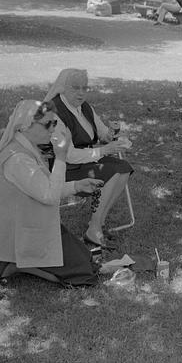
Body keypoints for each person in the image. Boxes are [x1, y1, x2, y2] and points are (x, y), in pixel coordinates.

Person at [0, 100, 104, 287]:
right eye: (48, 124)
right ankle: (16, 265)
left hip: (33, 223)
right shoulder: (17, 159)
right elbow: (49, 195)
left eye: (54, 123)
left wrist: (76, 186)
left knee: (87, 260)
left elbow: (45, 188)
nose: (52, 129)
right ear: (25, 126)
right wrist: (61, 158)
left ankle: (20, 263)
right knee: (84, 276)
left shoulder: (27, 148)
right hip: (21, 234)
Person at [44, 69, 133, 248]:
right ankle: (94, 229)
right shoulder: (55, 112)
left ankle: (98, 223)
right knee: (113, 172)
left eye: (85, 88)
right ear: (63, 88)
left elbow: (101, 132)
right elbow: (68, 155)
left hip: (86, 161)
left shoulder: (84, 107)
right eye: (75, 88)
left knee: (124, 168)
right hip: (63, 168)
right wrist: (103, 151)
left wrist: (111, 134)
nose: (81, 92)